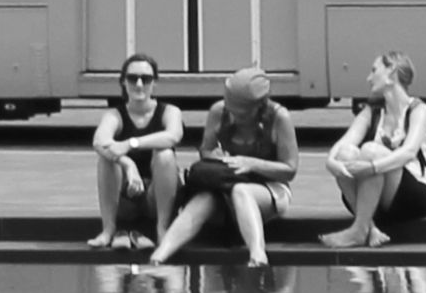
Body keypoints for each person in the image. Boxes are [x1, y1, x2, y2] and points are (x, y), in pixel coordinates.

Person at [144, 65, 303, 270]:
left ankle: (257, 253)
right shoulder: (218, 111)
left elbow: (290, 169)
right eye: (232, 111)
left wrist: (251, 163)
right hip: (225, 183)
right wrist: (215, 156)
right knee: (203, 199)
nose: (235, 117)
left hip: (268, 188)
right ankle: (159, 256)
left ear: (259, 106)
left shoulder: (279, 118)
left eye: (242, 113)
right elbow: (206, 149)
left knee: (241, 191)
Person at [314, 54, 426, 250]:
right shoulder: (373, 111)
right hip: (374, 198)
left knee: (371, 150)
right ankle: (367, 228)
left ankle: (359, 229)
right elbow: (342, 144)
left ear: (391, 74)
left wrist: (372, 167)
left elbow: (408, 152)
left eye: (374, 71)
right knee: (345, 154)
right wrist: (331, 161)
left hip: (413, 197)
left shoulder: (419, 111)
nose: (368, 78)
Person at [87, 56, 184, 248]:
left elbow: (173, 136)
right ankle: (108, 229)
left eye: (146, 79)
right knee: (106, 160)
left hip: (156, 197)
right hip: (125, 195)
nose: (139, 84)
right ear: (123, 82)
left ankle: (162, 229)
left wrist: (131, 143)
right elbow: (99, 141)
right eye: (132, 78)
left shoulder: (169, 111)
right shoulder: (115, 115)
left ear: (154, 83)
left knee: (164, 154)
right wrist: (128, 165)